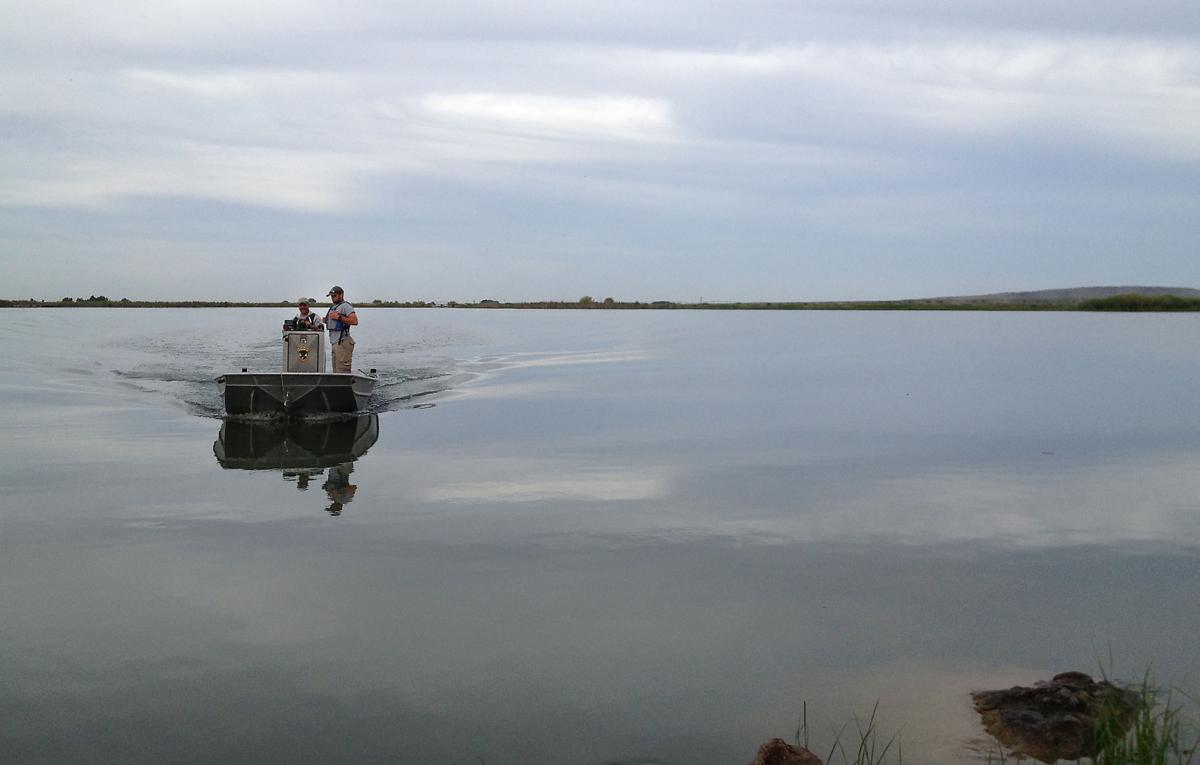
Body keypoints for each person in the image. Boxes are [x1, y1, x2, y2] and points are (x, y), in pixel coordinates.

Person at [324, 285, 358, 373]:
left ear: (341, 295)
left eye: (334, 296)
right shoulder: (333, 307)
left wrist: (339, 318)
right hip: (335, 342)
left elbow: (354, 321)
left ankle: (346, 386)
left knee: (342, 371)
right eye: (331, 296)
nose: (332, 298)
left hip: (343, 342)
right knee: (336, 371)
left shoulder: (346, 306)